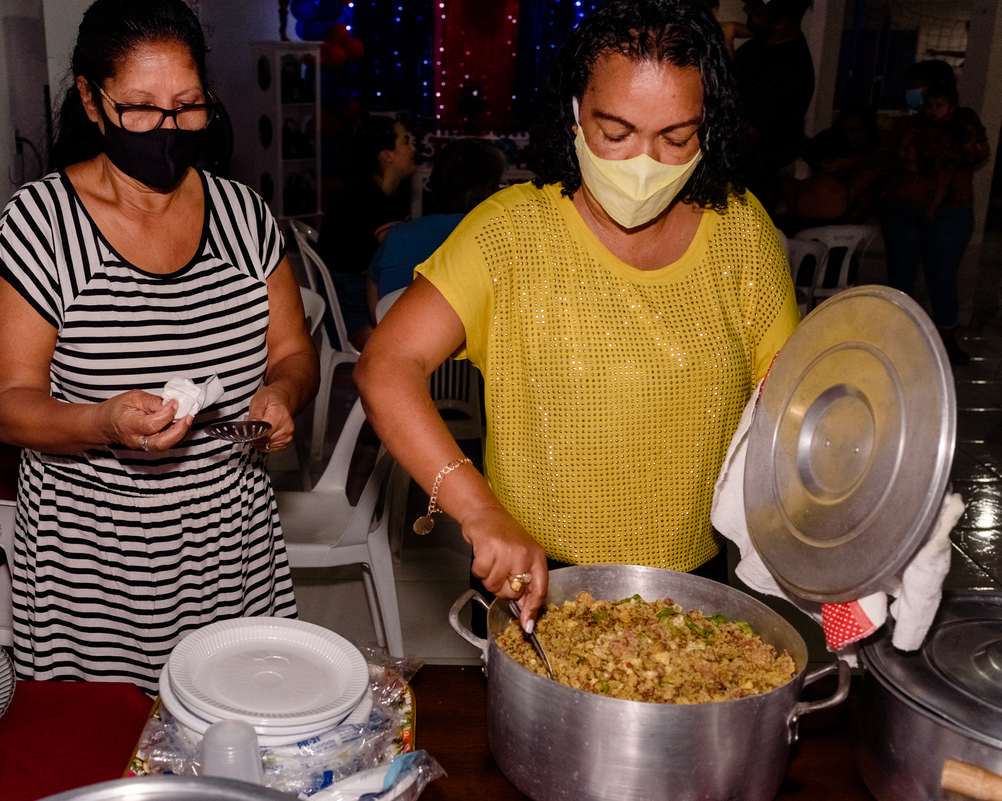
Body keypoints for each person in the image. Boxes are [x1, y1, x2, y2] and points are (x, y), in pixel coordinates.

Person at [354, 0, 799, 629]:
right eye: (616, 133)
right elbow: (386, 365)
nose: (644, 162)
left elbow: (785, 399)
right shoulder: (511, 233)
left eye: (676, 138)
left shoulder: (741, 230)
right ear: (573, 113)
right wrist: (478, 508)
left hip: (694, 583)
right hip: (536, 581)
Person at [0, 0, 318, 691]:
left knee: (233, 728)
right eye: (140, 108)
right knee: (104, 744)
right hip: (93, 566)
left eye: (188, 106)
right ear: (91, 100)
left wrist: (282, 393)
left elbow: (293, 353)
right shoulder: (41, 225)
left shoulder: (245, 217)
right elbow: (10, 405)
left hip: (230, 546)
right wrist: (104, 422)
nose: (168, 128)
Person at [880, 61, 989, 366]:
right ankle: (897, 335)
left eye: (916, 86)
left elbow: (976, 152)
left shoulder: (963, 122)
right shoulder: (910, 123)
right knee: (899, 277)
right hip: (901, 209)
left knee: (941, 277)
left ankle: (945, 337)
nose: (911, 92)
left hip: (948, 214)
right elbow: (886, 157)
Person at [367, 137, 507, 316]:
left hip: (397, 330)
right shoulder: (495, 240)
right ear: (488, 190)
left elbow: (375, 303)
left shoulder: (396, 236)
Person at [316, 115, 417, 349]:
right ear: (386, 155)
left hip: (351, 296)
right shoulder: (369, 199)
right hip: (353, 311)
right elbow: (399, 256)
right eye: (406, 141)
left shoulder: (373, 192)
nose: (413, 148)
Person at [733, 0, 814, 216]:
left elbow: (756, 130)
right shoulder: (760, 46)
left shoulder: (792, 69)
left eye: (757, 11)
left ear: (781, 22)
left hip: (751, 184)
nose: (746, 10)